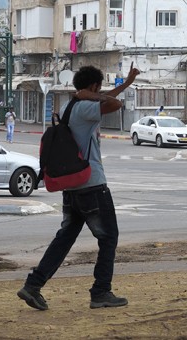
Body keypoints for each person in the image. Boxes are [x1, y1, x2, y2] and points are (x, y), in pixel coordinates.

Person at [18, 63, 140, 311]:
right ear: (94, 86)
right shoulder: (84, 107)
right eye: (99, 87)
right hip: (91, 185)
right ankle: (101, 292)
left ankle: (33, 285)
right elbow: (114, 105)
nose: (101, 91)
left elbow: (105, 100)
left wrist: (125, 84)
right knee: (109, 238)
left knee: (64, 239)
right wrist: (95, 95)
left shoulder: (68, 106)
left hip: (72, 186)